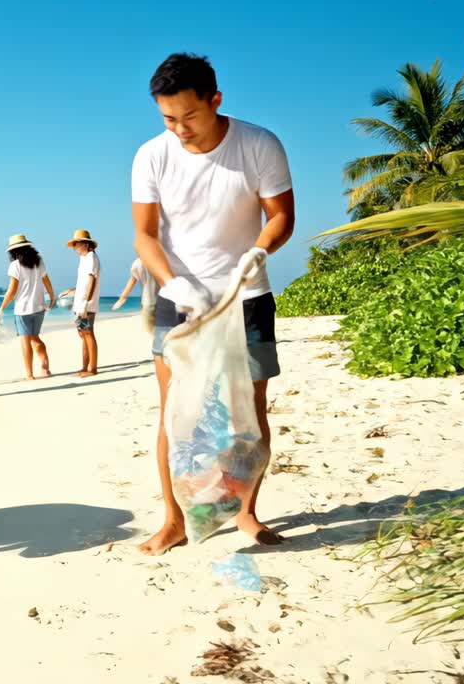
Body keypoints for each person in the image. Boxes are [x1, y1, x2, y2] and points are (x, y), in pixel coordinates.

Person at [131, 53, 295, 555]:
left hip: (244, 294)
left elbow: (281, 216)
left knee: (248, 408)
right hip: (177, 299)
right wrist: (172, 284)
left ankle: (246, 513)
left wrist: (257, 253)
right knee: (175, 412)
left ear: (215, 100)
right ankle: (175, 519)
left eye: (190, 115)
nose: (180, 129)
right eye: (168, 118)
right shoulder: (151, 155)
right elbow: (144, 234)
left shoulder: (259, 144)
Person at [0, 234, 56, 380]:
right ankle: (45, 367)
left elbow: (12, 290)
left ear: (13, 251)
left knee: (25, 341)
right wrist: (52, 298)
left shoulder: (15, 265)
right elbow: (47, 281)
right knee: (35, 338)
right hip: (39, 307)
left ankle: (29, 374)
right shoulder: (39, 261)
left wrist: (0, 309)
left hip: (22, 309)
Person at [65, 229, 101, 377]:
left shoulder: (91, 257)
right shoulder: (84, 258)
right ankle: (85, 367)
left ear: (86, 244)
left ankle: (92, 369)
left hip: (86, 303)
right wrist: (73, 290)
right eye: (74, 245)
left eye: (77, 244)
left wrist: (86, 302)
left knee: (88, 333)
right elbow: (84, 281)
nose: (75, 248)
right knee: (83, 334)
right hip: (79, 303)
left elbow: (92, 280)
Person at [112, 258, 160, 333]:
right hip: (164, 301)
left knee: (155, 335)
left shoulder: (137, 263)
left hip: (147, 303)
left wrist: (122, 298)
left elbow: (132, 281)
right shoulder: (162, 258)